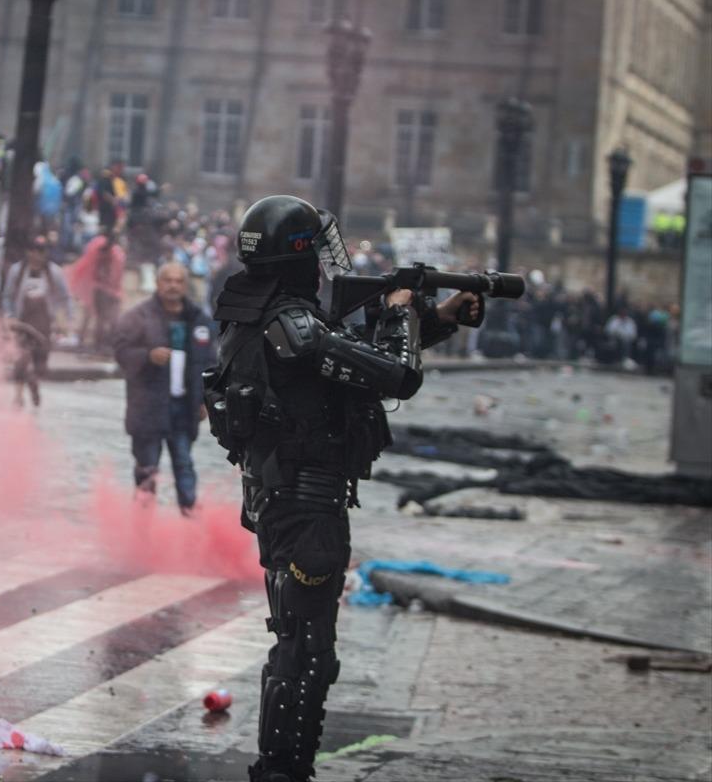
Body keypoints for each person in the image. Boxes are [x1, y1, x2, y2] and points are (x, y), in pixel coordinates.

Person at [203, 195, 479, 781]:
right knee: (304, 654)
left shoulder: (263, 313)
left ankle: (284, 768)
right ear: (300, 254)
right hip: (304, 507)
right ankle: (282, 771)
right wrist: (400, 308)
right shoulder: (291, 323)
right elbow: (395, 373)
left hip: (287, 499)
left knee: (299, 645)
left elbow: (352, 364)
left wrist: (442, 316)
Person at [113, 261, 217, 516]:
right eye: (168, 280)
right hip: (148, 406)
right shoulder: (138, 317)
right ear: (158, 284)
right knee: (147, 467)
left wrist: (206, 399)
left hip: (184, 407)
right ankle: (143, 520)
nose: (173, 286)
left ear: (186, 285)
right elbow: (121, 351)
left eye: (179, 281)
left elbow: (210, 364)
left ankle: (190, 514)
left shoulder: (199, 320)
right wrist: (148, 356)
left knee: (184, 463)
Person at [1, 240, 73, 408]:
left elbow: (65, 297)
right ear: (29, 252)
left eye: (41, 251)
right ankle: (18, 397)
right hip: (23, 324)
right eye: (34, 251)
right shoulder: (17, 271)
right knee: (21, 360)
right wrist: (10, 316)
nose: (37, 255)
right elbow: (7, 296)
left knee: (40, 364)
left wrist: (69, 318)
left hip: (44, 325)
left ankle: (34, 382)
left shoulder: (54, 273)